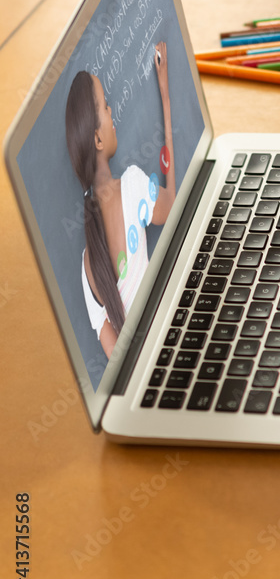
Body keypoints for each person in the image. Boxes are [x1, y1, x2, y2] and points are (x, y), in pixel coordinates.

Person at [65, 42, 175, 359]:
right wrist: (165, 98)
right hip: (170, 332)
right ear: (97, 139)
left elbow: (116, 360)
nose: (112, 112)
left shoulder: (87, 264)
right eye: (105, 106)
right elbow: (172, 204)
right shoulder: (132, 184)